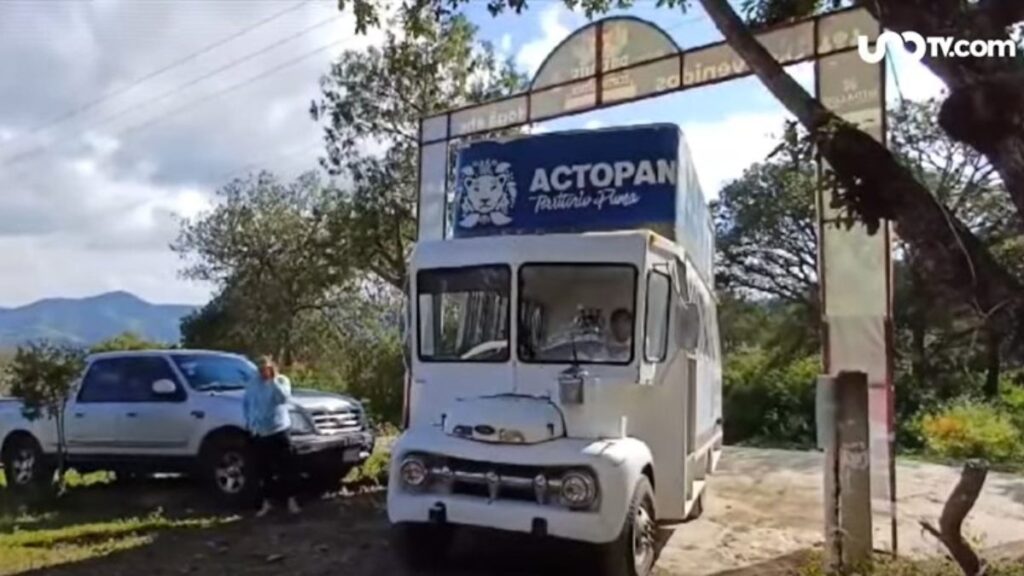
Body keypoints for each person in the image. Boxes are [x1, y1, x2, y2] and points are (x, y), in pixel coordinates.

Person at [243, 355, 301, 516]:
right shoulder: (253, 384)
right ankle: (267, 503)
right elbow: (247, 403)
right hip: (260, 432)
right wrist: (249, 422)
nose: (263, 372)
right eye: (260, 369)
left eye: (266, 368)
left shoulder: (282, 381)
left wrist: (273, 380)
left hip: (279, 430)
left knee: (286, 467)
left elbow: (283, 398)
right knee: (263, 470)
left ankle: (291, 500)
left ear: (271, 368)